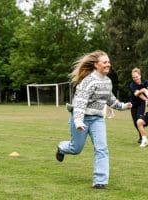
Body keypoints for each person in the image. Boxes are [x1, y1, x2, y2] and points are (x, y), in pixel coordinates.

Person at [56, 50, 132, 189]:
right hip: (81, 118)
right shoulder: (88, 81)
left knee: (102, 148)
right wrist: (78, 121)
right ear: (96, 65)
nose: (108, 64)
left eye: (109, 62)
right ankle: (62, 147)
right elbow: (80, 103)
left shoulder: (108, 82)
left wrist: (123, 106)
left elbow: (110, 100)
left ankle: (100, 182)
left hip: (97, 119)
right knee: (76, 148)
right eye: (105, 62)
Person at [129, 68, 148, 143]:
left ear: (140, 75)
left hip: (141, 104)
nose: (135, 78)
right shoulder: (132, 85)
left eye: (136, 76)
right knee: (135, 123)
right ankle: (141, 137)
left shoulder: (145, 82)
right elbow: (137, 94)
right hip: (133, 104)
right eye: (133, 77)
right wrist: (146, 98)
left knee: (139, 120)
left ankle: (143, 137)